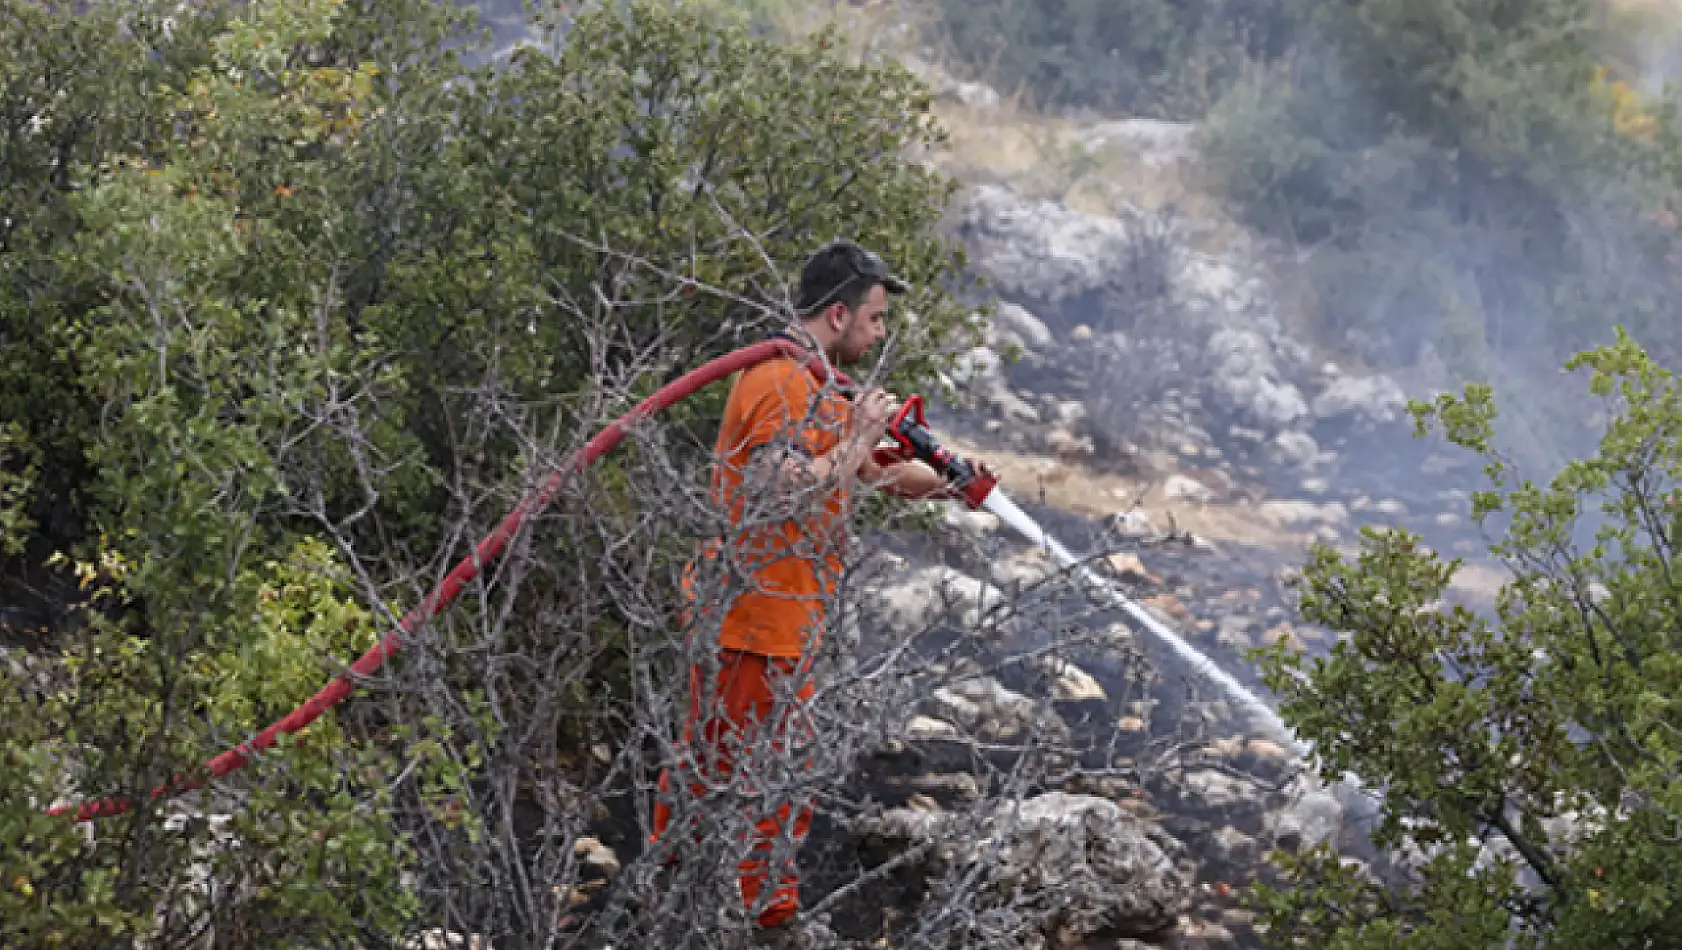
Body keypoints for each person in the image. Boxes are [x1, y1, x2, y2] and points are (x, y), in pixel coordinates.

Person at [648, 240, 997, 943]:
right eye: (874, 317)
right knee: (727, 764)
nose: (881, 331)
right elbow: (782, 485)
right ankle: (719, 908)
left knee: (773, 764)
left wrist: (954, 482)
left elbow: (871, 472)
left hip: (786, 617)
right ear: (837, 313)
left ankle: (732, 901)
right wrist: (862, 428)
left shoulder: (819, 384)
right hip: (749, 616)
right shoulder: (778, 382)